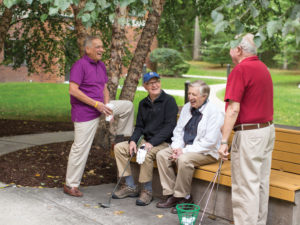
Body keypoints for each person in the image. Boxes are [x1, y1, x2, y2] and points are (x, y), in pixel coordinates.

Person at [63, 36, 134, 197]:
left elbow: (104, 89)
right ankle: (70, 185)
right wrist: (96, 104)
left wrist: (107, 107)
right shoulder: (79, 65)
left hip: (101, 107)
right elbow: (73, 90)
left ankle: (122, 138)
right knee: (80, 148)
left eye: (102, 47)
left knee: (127, 106)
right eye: (97, 47)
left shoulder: (101, 65)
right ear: (87, 49)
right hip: (85, 113)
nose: (102, 50)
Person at [218, 33, 275, 225]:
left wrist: (224, 141)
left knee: (245, 187)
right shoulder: (263, 68)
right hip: (266, 131)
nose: (229, 50)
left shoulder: (240, 70)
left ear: (239, 49)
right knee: (259, 183)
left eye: (231, 46)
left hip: (250, 135)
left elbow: (233, 109)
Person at [156, 80, 224, 214]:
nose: (190, 97)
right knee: (162, 155)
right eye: (189, 94)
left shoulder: (214, 112)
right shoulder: (187, 107)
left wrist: (183, 151)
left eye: (194, 95)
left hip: (206, 152)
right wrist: (176, 148)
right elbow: (178, 131)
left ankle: (184, 197)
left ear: (204, 97)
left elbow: (209, 142)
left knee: (184, 160)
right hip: (185, 148)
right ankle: (172, 195)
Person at [113, 72, 178, 206]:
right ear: (145, 86)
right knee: (119, 148)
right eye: (150, 83)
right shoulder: (143, 103)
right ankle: (130, 186)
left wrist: (150, 143)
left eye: (157, 81)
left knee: (145, 152)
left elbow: (169, 128)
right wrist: (132, 140)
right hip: (146, 141)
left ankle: (147, 191)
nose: (154, 85)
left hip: (164, 143)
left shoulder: (169, 101)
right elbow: (140, 127)